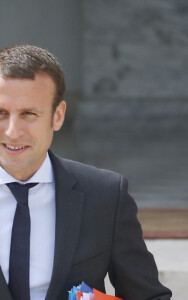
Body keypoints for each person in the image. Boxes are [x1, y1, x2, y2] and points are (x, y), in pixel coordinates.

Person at [0, 44, 172, 300]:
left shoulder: (105, 195)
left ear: (57, 117)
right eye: (1, 113)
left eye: (29, 114)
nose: (12, 131)